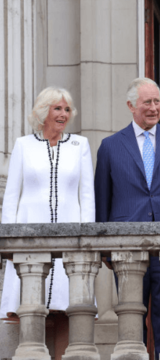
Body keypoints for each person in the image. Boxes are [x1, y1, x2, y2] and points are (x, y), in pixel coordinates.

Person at [94, 77, 160, 358]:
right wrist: (105, 248)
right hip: (128, 247)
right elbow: (102, 199)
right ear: (131, 106)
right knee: (131, 317)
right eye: (147, 102)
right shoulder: (110, 146)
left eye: (157, 101)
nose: (154, 108)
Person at [1, 87, 95, 357]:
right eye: (58, 108)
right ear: (44, 112)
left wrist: (87, 242)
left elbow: (86, 197)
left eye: (67, 109)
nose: (64, 114)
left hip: (70, 242)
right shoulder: (23, 145)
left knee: (69, 309)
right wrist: (8, 244)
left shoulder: (80, 146)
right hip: (29, 240)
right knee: (31, 309)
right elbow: (11, 198)